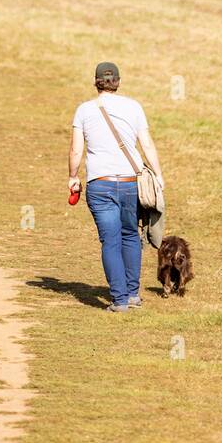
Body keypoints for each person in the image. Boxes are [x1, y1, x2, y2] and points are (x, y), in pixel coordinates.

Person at [68, 61, 164, 313]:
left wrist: (73, 176)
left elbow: (77, 149)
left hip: (100, 184)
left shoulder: (84, 110)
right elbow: (148, 145)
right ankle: (132, 294)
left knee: (110, 241)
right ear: (118, 82)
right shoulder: (134, 107)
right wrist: (159, 175)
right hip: (130, 182)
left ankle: (119, 299)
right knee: (131, 235)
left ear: (96, 82)